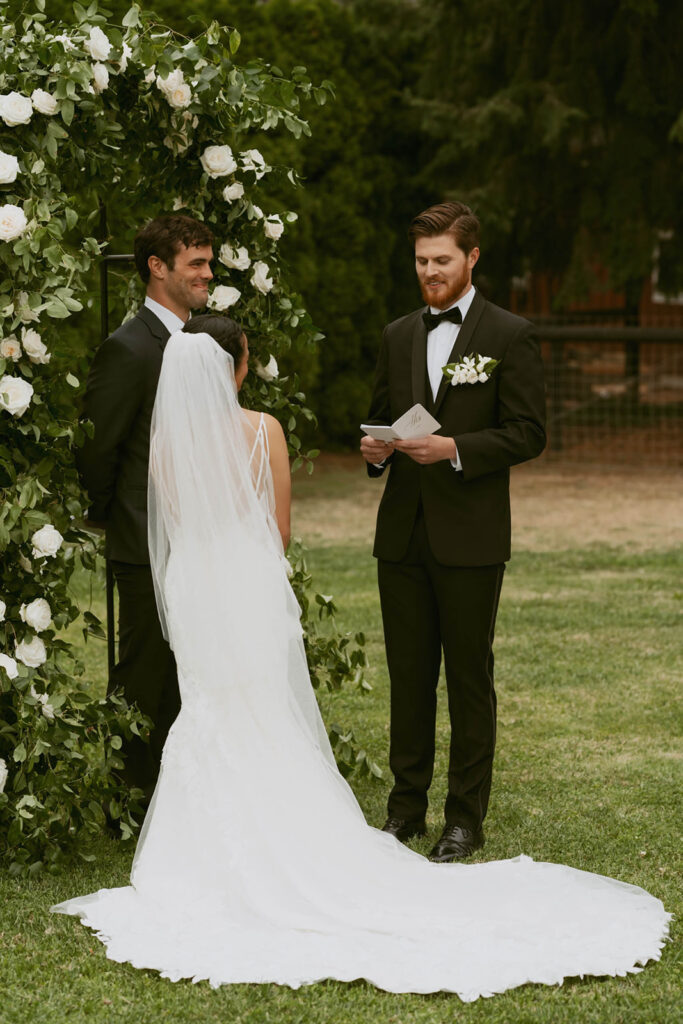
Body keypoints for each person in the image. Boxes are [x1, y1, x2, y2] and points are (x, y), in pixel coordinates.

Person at [53, 317, 669, 999]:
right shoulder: (263, 432)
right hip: (250, 585)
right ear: (240, 365)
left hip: (195, 587)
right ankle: (300, 833)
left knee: (209, 707)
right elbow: (276, 532)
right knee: (264, 709)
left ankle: (210, 850)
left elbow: (173, 525)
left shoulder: (167, 442)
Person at [361, 201, 546, 862]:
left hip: (470, 537)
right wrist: (375, 451)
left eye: (441, 260)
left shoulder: (510, 335)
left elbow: (528, 433)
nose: (429, 272)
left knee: (469, 680)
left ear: (472, 258)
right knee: (408, 679)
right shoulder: (396, 334)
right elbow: (380, 417)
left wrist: (455, 448)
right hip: (402, 537)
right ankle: (402, 810)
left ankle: (464, 819)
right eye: (420, 261)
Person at [77, 213, 214, 804]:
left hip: (194, 540)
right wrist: (114, 515)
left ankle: (174, 793)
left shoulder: (198, 340)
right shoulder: (130, 347)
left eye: (209, 262)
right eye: (197, 264)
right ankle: (129, 798)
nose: (208, 273)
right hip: (143, 539)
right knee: (143, 671)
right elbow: (97, 445)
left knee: (186, 671)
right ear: (157, 268)